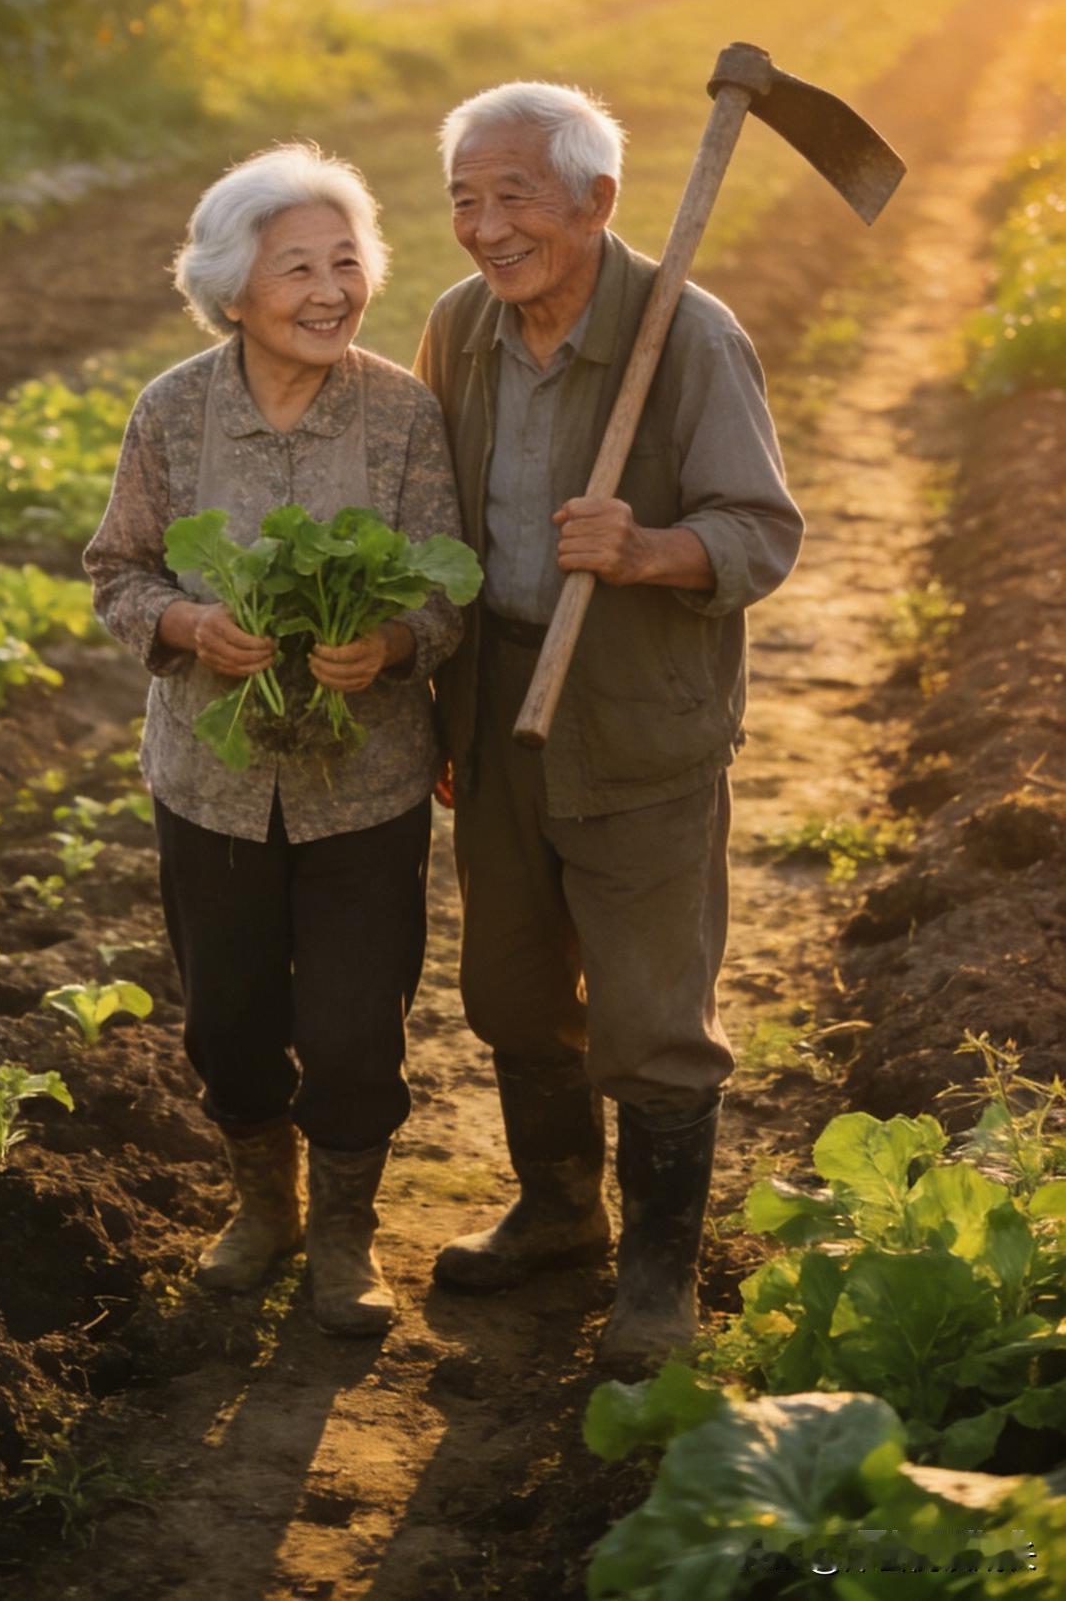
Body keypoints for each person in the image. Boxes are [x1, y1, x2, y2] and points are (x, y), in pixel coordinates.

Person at [413, 80, 804, 1371]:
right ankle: (560, 1206)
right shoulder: (460, 325)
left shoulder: (689, 335)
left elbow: (761, 530)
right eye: (465, 196)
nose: (483, 224)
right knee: (513, 987)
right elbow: (432, 520)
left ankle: (656, 1279)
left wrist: (648, 547)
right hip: (498, 700)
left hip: (637, 714)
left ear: (598, 200)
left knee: (649, 1011)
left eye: (513, 193)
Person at [84, 143, 465, 1337]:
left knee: (355, 1026)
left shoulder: (402, 413)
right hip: (212, 779)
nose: (327, 288)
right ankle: (266, 1209)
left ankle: (346, 1236)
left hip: (367, 782)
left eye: (344, 261)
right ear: (230, 286)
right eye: (293, 264)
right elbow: (115, 570)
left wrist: (393, 646)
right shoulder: (174, 409)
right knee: (228, 1023)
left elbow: (451, 590)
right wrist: (189, 621)